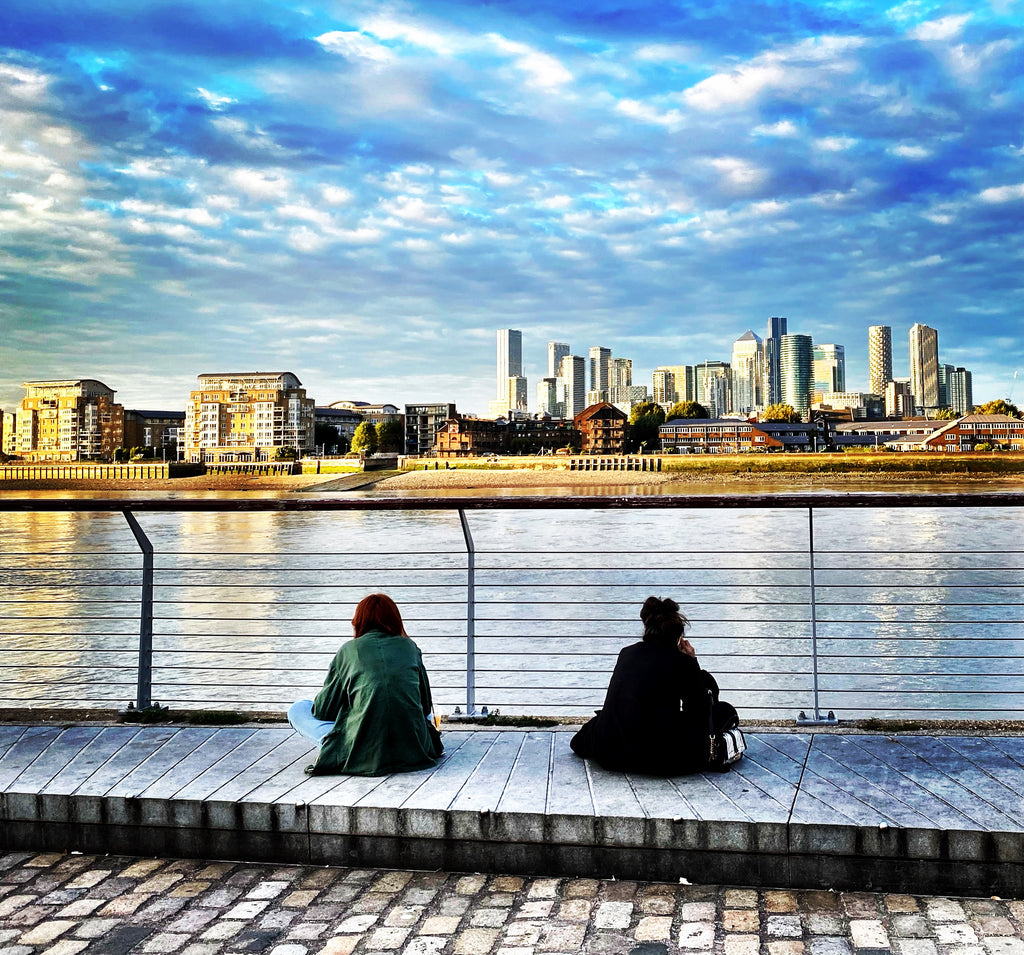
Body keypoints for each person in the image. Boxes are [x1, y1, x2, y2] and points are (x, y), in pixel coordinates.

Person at [288, 593, 443, 776]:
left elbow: (324, 711)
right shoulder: (410, 647)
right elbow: (425, 706)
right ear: (395, 620)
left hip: (362, 751)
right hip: (414, 748)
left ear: (358, 621)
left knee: (299, 708)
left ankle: (337, 746)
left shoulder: (348, 651)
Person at [570, 595, 716, 775]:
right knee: (723, 711)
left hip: (611, 754)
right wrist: (693, 663)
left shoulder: (626, 653)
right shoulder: (682, 662)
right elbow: (699, 712)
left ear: (647, 628)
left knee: (600, 722)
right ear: (677, 637)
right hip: (655, 758)